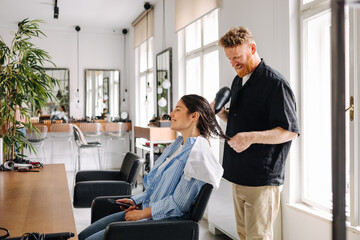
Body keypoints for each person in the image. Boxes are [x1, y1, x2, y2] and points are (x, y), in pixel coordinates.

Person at [78, 94, 228, 240]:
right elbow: (156, 188)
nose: (171, 114)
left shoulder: (198, 155)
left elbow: (179, 205)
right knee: (82, 236)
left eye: (177, 109)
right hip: (146, 211)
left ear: (194, 116)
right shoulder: (177, 145)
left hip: (159, 224)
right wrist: (136, 201)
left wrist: (142, 214)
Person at [214, 27, 300, 240]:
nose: (234, 63)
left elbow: (289, 131)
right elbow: (238, 120)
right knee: (244, 235)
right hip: (238, 174)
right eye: (230, 59)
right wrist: (221, 113)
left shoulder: (276, 84)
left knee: (258, 237)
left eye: (237, 57)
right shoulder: (238, 80)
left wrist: (250, 137)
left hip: (262, 179)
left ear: (252, 48)